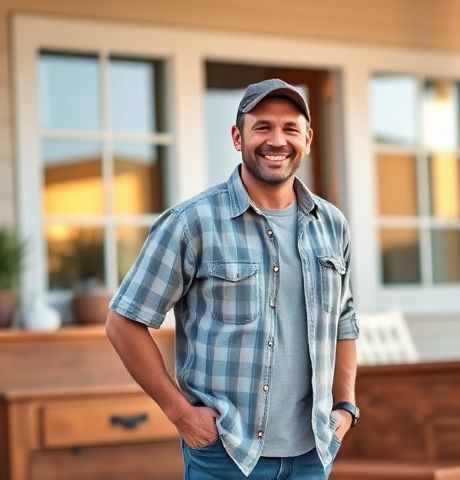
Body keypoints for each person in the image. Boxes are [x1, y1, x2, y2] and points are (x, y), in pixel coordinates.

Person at [105, 78, 360, 479]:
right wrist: (180, 412)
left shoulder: (332, 225)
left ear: (307, 139)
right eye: (262, 127)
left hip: (313, 454)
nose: (277, 139)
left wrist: (345, 407)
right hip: (227, 455)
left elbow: (344, 322)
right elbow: (123, 322)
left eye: (290, 128)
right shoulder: (192, 223)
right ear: (237, 137)